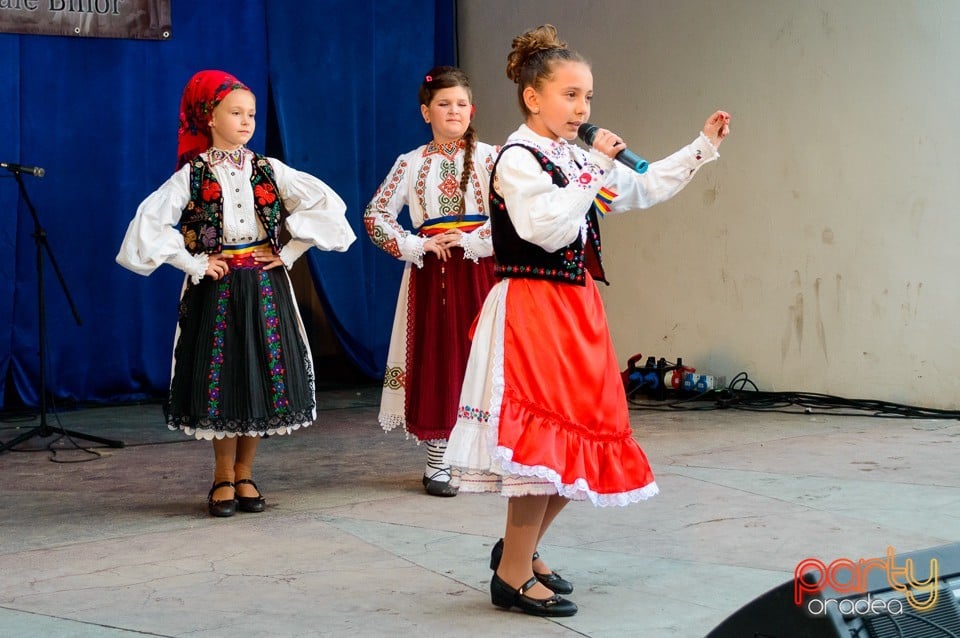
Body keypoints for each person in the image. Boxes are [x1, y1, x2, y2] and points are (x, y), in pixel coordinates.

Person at [443, 25, 731, 616]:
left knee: (591, 435)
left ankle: (518, 552)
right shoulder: (516, 160)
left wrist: (700, 146)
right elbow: (542, 228)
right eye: (570, 95)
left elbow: (642, 187)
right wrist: (590, 171)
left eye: (588, 97)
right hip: (532, 308)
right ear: (533, 98)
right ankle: (512, 573)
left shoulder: (577, 158)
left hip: (577, 307)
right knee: (543, 442)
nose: (583, 108)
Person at [116, 70, 356, 517]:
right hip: (218, 289)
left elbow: (327, 206)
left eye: (251, 114)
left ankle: (245, 472)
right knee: (223, 380)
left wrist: (290, 250)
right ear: (209, 117)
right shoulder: (194, 174)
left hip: (265, 285)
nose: (246, 121)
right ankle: (222, 476)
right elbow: (147, 226)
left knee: (262, 376)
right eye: (235, 112)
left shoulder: (267, 169)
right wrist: (194, 263)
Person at [364, 66, 500, 497]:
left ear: (472, 109)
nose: (453, 110)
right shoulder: (411, 163)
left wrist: (476, 238)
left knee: (489, 359)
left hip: (485, 270)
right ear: (426, 112)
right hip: (435, 277)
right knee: (441, 360)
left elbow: (516, 212)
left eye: (461, 104)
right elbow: (375, 216)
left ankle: (490, 457)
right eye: (443, 104)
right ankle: (438, 461)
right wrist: (416, 245)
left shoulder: (494, 158)